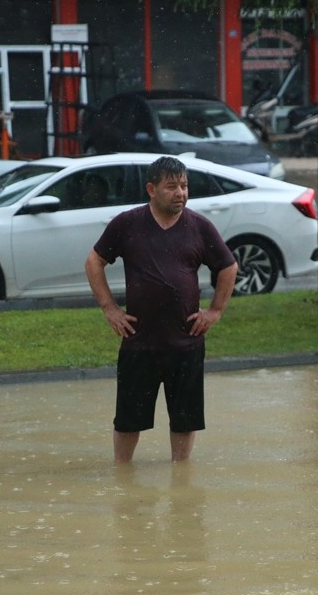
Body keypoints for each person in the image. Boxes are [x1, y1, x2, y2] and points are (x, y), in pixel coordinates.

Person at [85, 156, 239, 464]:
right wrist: (110, 308)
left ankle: (180, 474)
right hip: (139, 342)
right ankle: (122, 473)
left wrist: (215, 311)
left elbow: (228, 266)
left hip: (187, 342)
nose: (180, 193)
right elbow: (94, 262)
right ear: (151, 189)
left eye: (184, 186)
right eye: (172, 187)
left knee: (186, 419)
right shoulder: (127, 224)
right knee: (129, 419)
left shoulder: (199, 227)